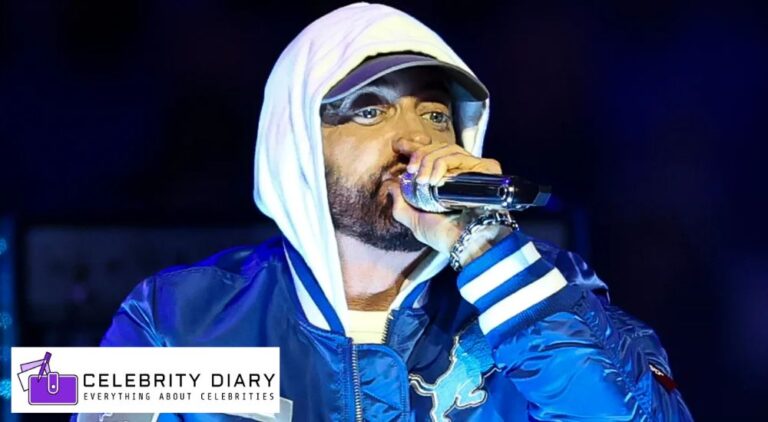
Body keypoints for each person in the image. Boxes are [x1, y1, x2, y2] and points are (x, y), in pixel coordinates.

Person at [97, 3, 693, 421]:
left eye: (435, 116)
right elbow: (48, 385)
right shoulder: (178, 320)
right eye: (369, 112)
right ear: (297, 145)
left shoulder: (545, 291)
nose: (415, 141)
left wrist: (484, 246)